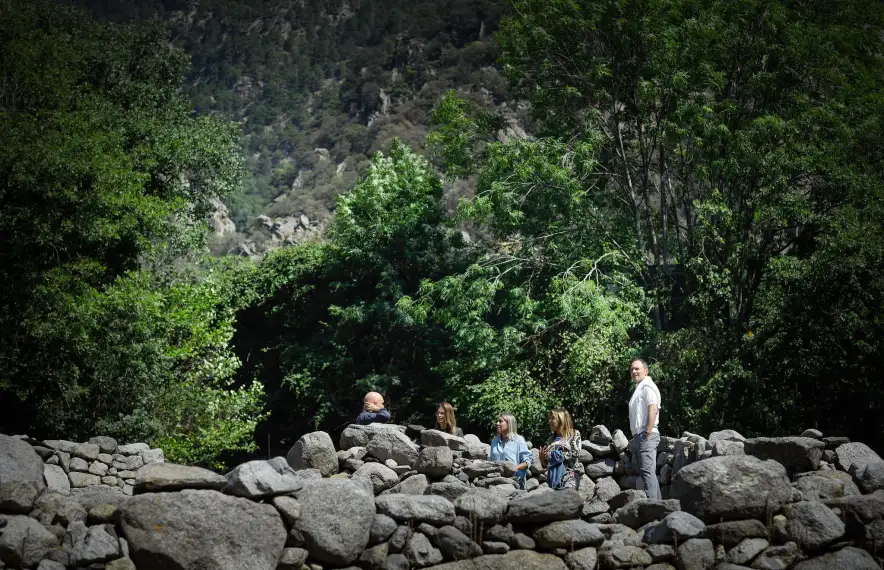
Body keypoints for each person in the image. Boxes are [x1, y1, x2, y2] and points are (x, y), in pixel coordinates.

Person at [628, 358, 662, 499]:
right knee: (648, 474)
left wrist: (647, 431)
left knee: (647, 474)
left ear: (646, 371)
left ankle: (653, 507)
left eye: (637, 369)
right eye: (632, 369)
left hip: (646, 434)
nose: (634, 371)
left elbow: (653, 408)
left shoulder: (647, 386)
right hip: (641, 435)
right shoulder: (640, 387)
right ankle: (659, 506)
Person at [540, 408, 582, 490]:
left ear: (561, 419)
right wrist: (542, 458)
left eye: (552, 418)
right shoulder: (550, 439)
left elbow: (575, 455)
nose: (549, 421)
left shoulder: (574, 434)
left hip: (569, 478)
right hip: (553, 479)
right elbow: (545, 465)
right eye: (549, 418)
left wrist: (553, 455)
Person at [489, 413, 532, 489]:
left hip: (515, 483)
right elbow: (491, 462)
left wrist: (514, 468)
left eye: (500, 421)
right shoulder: (494, 442)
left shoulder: (519, 440)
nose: (497, 423)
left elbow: (527, 462)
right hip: (496, 482)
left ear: (509, 424)